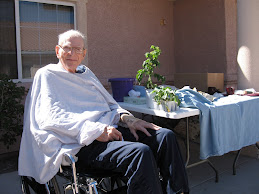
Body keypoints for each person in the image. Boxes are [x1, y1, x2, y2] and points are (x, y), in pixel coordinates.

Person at [18, 29, 189, 194]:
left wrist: (129, 119)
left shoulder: (86, 74)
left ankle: (178, 191)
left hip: (109, 131)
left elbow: (109, 104)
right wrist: (95, 130)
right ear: (57, 51)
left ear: (83, 54)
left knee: (165, 136)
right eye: (67, 48)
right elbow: (49, 118)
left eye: (77, 49)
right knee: (139, 153)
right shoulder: (47, 75)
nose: (71, 53)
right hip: (80, 144)